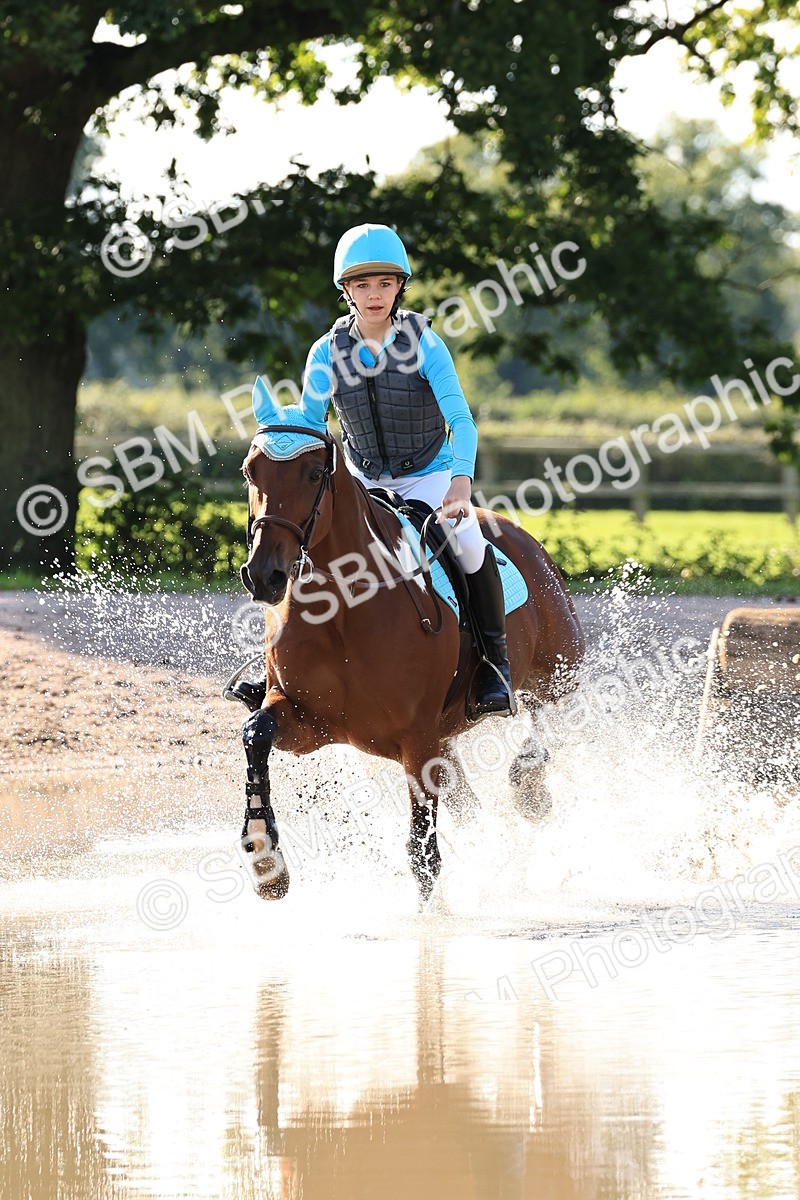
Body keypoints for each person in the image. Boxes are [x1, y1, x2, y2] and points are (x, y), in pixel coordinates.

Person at [238, 222, 513, 716]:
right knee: (309, 543)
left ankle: (495, 665)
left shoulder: (425, 344)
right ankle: (277, 667)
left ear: (400, 286)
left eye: (385, 283)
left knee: (469, 543)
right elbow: (311, 425)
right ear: (346, 290)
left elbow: (461, 421)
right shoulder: (326, 351)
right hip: (360, 478)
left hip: (428, 474)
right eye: (362, 285)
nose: (374, 295)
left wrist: (459, 483)